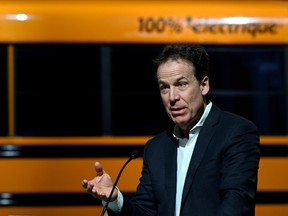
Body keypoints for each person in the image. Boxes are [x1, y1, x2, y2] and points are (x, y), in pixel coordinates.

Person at [82, 44, 261, 216]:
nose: (172, 97)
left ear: (204, 85)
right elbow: (145, 211)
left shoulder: (236, 132)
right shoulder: (155, 148)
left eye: (181, 84)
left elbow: (236, 206)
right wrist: (116, 199)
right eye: (165, 87)